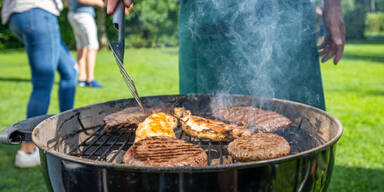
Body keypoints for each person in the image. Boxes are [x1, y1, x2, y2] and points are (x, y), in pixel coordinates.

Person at [104, 0, 345, 111]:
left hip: (286, 15)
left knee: (299, 128)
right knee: (205, 126)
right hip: (208, 16)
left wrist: (333, 5)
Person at [2, 0, 77, 168]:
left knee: (70, 72)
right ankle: (27, 151)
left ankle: (67, 132)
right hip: (37, 11)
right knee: (43, 82)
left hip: (24, 14)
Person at [67, 0, 104, 88]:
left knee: (82, 47)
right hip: (83, 15)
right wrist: (98, 2)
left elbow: (67, 3)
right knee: (92, 47)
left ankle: (81, 78)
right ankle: (90, 79)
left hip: (73, 13)